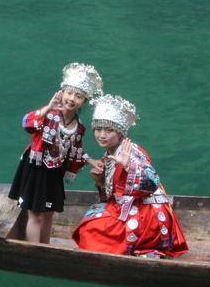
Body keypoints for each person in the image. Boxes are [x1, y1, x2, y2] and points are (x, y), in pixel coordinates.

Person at [73, 93, 188, 257]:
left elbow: (152, 182)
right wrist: (100, 182)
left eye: (109, 130)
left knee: (92, 231)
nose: (102, 135)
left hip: (147, 213)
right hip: (127, 207)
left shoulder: (132, 152)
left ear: (120, 133)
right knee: (90, 222)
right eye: (98, 129)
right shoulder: (110, 154)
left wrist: (129, 166)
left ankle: (146, 244)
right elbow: (115, 191)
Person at [9, 63, 104, 243]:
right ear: (62, 93)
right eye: (69, 93)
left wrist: (90, 160)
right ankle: (34, 252)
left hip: (55, 172)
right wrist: (47, 107)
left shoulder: (79, 127)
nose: (72, 99)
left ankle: (45, 249)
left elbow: (74, 150)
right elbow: (27, 124)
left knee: (49, 214)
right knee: (36, 214)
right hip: (37, 168)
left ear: (84, 101)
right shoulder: (48, 114)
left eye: (78, 96)